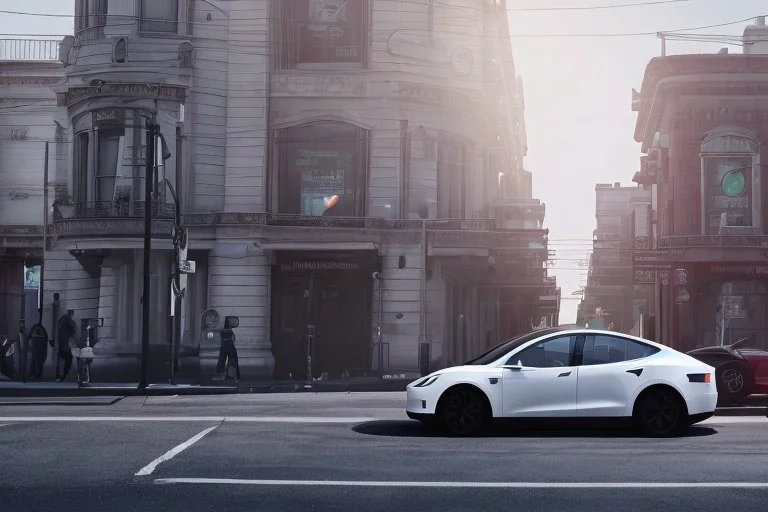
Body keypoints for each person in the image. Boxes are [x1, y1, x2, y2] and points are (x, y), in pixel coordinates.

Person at [216, 317, 240, 383]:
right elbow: (233, 339)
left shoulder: (221, 329)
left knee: (222, 360)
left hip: (224, 345)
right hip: (230, 345)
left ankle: (221, 375)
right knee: (234, 360)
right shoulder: (230, 330)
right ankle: (236, 377)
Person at [55, 310, 76, 382]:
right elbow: (72, 331)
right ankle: (61, 376)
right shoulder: (67, 321)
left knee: (62, 361)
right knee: (66, 360)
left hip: (63, 344)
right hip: (64, 345)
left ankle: (60, 376)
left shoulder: (62, 321)